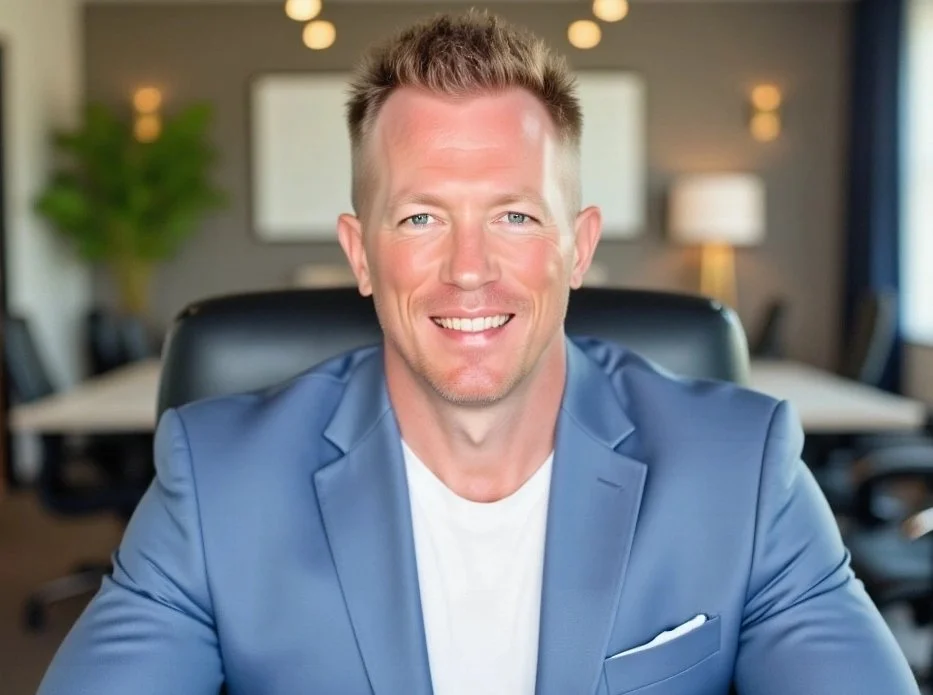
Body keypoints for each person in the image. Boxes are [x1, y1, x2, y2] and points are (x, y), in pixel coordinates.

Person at [38, 10, 918, 695]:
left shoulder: (740, 469)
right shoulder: (219, 480)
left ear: (576, 247)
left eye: (514, 215)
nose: (468, 270)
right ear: (360, 252)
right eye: (421, 217)